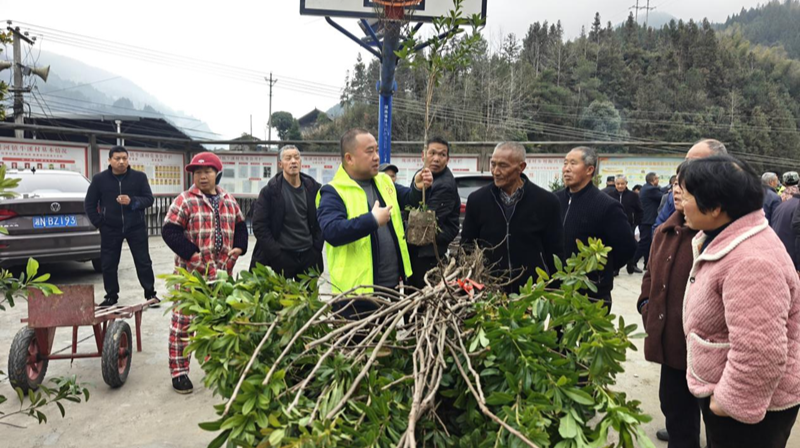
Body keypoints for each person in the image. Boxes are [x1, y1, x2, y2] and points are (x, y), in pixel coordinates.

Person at [681, 156, 800, 448]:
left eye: (686, 195)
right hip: (728, 390)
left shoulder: (752, 260)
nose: (680, 202)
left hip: (750, 408)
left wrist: (728, 402)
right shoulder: (723, 235)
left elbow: (761, 352)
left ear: (716, 207)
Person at [316, 128, 432, 319]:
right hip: (354, 296)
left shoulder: (383, 181)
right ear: (349, 158)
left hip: (391, 288)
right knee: (358, 347)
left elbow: (407, 198)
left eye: (377, 151)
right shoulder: (333, 191)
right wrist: (371, 221)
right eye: (369, 152)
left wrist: (418, 186)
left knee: (386, 345)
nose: (377, 157)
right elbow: (332, 232)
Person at [161, 152, 249, 394]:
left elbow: (241, 227)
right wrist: (192, 254)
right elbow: (170, 231)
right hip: (191, 276)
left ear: (216, 174)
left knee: (217, 323)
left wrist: (239, 248)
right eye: (198, 172)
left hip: (221, 277)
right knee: (183, 324)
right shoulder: (184, 200)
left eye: (207, 171)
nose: (202, 176)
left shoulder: (229, 200)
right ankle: (179, 372)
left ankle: (215, 368)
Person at [637, 162, 702, 448]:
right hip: (671, 341)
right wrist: (646, 305)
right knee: (674, 407)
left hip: (704, 346)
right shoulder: (667, 227)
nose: (677, 189)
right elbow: (650, 272)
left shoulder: (715, 234)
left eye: (684, 185)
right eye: (676, 182)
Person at [461, 142, 564, 293]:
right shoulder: (477, 200)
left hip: (532, 292)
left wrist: (554, 291)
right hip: (488, 292)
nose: (496, 171)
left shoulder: (547, 202)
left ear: (521, 167)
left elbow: (556, 252)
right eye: (493, 164)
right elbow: (467, 247)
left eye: (503, 166)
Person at [555, 147, 636, 307]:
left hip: (592, 295)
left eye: (573, 163)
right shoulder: (554, 201)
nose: (566, 169)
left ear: (589, 169)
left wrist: (601, 272)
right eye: (565, 163)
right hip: (557, 291)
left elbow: (627, 247)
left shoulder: (606, 206)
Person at [84, 146, 158, 307]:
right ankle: (111, 296)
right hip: (110, 227)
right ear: (109, 160)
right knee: (109, 263)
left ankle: (150, 294)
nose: (121, 161)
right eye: (117, 158)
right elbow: (89, 203)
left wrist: (132, 201)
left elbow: (149, 199)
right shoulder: (99, 180)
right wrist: (99, 222)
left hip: (135, 226)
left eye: (124, 158)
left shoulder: (139, 177)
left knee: (143, 261)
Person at [250, 145, 323, 279]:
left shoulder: (314, 189)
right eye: (288, 158)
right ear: (280, 164)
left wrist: (316, 250)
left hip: (308, 257)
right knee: (283, 298)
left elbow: (321, 221)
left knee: (308, 298)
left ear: (301, 163)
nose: (293, 161)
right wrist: (276, 254)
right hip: (281, 257)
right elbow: (259, 226)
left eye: (296, 157)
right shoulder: (270, 192)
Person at [407, 137, 461, 289]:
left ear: (448, 159)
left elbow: (424, 225)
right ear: (423, 155)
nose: (436, 158)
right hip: (419, 250)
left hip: (429, 253)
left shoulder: (445, 185)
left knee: (423, 296)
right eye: (432, 153)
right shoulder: (422, 174)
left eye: (442, 155)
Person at [654, 139, 728, 229]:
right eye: (686, 161)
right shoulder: (671, 198)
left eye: (695, 163)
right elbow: (658, 230)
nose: (687, 166)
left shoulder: (727, 200)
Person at [607, 175, 643, 275]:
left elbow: (639, 211)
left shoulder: (633, 195)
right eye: (618, 184)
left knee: (630, 245)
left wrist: (636, 223)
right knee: (615, 246)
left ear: (626, 184)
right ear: (615, 184)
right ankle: (615, 268)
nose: (620, 186)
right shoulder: (610, 195)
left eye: (622, 183)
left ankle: (630, 264)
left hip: (629, 225)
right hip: (614, 225)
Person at [629, 172, 661, 273]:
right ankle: (633, 262)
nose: (658, 180)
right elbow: (662, 195)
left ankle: (646, 264)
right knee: (644, 242)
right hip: (647, 220)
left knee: (648, 243)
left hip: (646, 220)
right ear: (653, 180)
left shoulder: (645, 188)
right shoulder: (651, 189)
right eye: (657, 179)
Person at [772, 171, 800, 269]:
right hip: (792, 258)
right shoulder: (797, 199)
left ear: (784, 182)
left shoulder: (780, 196)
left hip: (779, 251)